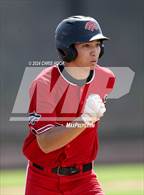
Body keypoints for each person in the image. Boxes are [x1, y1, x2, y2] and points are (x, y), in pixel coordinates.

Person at [23, 15, 116, 195]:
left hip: (83, 179)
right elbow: (46, 143)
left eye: (98, 45)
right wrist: (84, 120)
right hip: (43, 180)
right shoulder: (44, 84)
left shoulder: (106, 78)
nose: (94, 51)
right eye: (86, 45)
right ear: (68, 50)